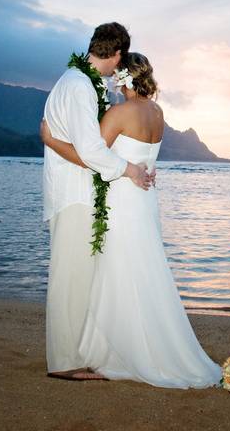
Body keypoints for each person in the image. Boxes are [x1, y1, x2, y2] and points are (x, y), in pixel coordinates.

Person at [40, 52, 223, 388]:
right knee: (144, 269)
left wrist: (51, 140)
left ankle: (117, 350)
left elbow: (90, 155)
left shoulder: (119, 112)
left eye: (114, 77)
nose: (110, 81)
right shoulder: (157, 112)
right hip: (145, 199)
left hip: (123, 198)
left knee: (116, 272)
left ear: (122, 78)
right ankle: (143, 344)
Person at [42, 22, 154, 381]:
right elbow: (91, 151)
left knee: (82, 279)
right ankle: (64, 363)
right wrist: (129, 171)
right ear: (118, 53)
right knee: (70, 280)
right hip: (73, 194)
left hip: (81, 193)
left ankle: (81, 352)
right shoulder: (79, 86)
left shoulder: (83, 83)